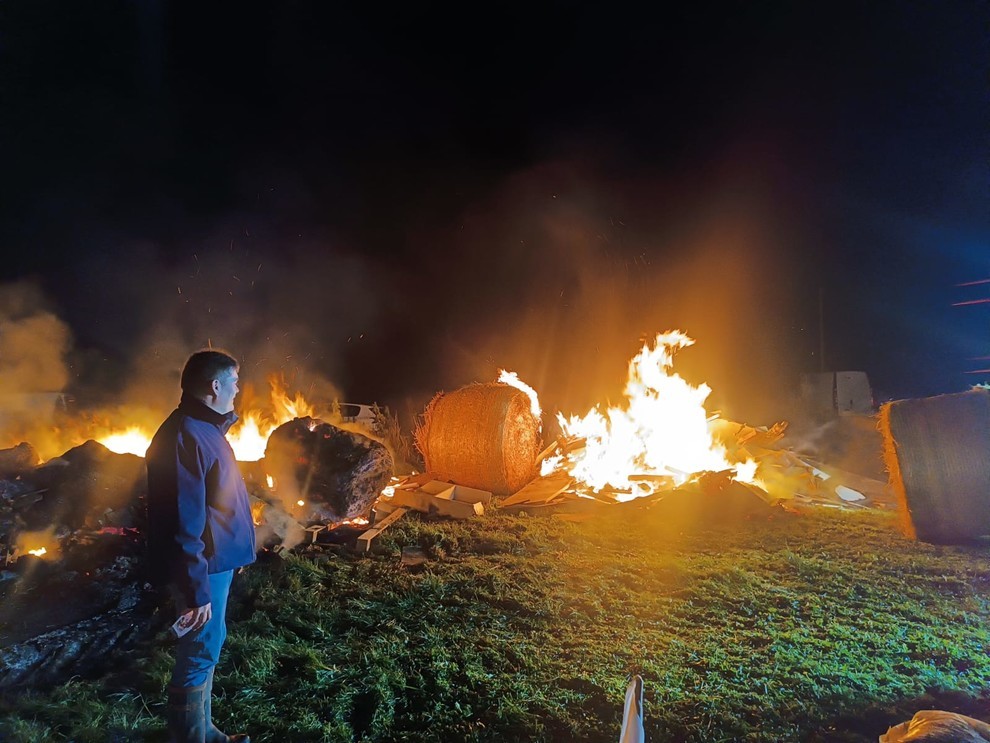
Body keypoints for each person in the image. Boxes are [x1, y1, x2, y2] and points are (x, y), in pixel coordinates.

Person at [146, 349, 256, 743]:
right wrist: (195, 590)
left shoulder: (203, 430)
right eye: (234, 381)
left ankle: (204, 732)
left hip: (214, 563)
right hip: (203, 569)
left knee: (209, 643)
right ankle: (190, 738)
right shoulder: (185, 435)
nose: (238, 389)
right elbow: (183, 521)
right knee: (199, 649)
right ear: (214, 386)